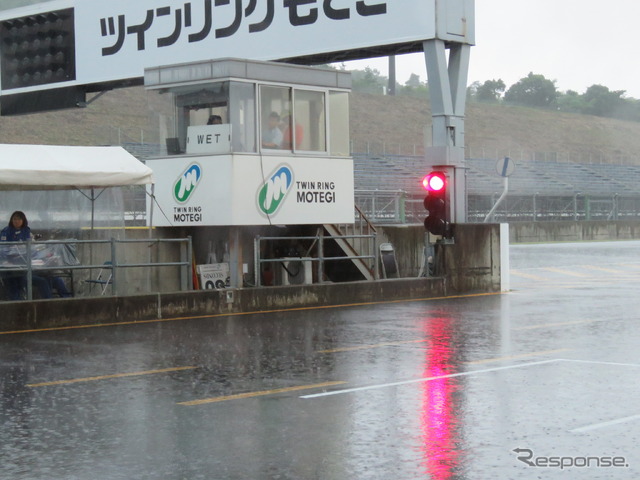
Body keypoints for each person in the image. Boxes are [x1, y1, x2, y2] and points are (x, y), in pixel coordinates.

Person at [0, 211, 70, 300]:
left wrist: (46, 256)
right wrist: (8, 260)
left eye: (19, 219)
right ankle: (47, 303)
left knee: (55, 279)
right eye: (15, 219)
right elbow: (3, 249)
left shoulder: (26, 230)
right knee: (41, 282)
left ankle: (65, 299)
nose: (16, 221)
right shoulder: (6, 231)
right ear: (11, 220)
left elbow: (32, 249)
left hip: (30, 266)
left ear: (23, 220)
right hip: (16, 271)